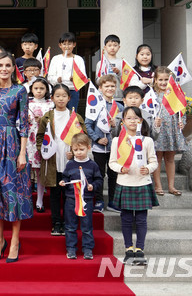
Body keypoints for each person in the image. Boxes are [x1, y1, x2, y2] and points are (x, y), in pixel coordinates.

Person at [0, 52, 32, 263]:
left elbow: (25, 124)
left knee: (13, 193)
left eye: (8, 65)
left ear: (13, 68)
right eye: (0, 65)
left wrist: (22, 153)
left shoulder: (20, 90)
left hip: (12, 143)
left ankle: (16, 241)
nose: (4, 69)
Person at [109, 106, 159, 265]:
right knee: (126, 219)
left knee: (142, 219)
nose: (132, 121)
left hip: (142, 183)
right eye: (128, 118)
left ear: (141, 120)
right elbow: (112, 163)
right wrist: (120, 169)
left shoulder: (147, 140)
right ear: (122, 121)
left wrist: (149, 169)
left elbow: (154, 161)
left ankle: (140, 249)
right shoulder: (117, 141)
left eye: (135, 118)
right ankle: (128, 249)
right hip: (124, 183)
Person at [37, 84, 87, 237]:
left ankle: (68, 222)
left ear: (69, 98)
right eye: (57, 96)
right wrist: (43, 150)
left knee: (68, 194)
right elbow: (40, 137)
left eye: (64, 96)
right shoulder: (47, 116)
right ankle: (56, 223)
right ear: (52, 98)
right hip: (53, 159)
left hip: (69, 160)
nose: (61, 98)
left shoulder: (75, 117)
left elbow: (83, 137)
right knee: (54, 193)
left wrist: (75, 152)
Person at [59, 133, 103, 260]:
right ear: (72, 149)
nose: (78, 152)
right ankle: (71, 249)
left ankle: (88, 249)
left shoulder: (93, 165)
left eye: (81, 149)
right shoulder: (70, 164)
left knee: (87, 226)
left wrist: (93, 186)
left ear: (88, 148)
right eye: (76, 150)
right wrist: (63, 182)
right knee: (70, 225)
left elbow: (99, 180)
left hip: (87, 200)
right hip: (71, 199)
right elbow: (66, 178)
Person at [85, 74, 122, 213]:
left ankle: (112, 201)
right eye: (106, 86)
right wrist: (97, 139)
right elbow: (88, 125)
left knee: (113, 174)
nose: (110, 88)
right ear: (100, 88)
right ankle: (99, 200)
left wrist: (114, 126)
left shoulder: (119, 107)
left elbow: (122, 130)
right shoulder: (94, 105)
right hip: (99, 147)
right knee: (99, 174)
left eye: (112, 86)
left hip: (114, 147)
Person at [152, 67, 186, 197]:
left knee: (170, 158)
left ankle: (171, 186)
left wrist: (182, 122)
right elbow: (149, 112)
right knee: (157, 158)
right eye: (160, 79)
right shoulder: (152, 96)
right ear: (155, 80)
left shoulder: (175, 95)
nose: (163, 82)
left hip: (172, 129)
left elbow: (181, 112)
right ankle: (158, 185)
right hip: (159, 130)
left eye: (166, 79)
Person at [26, 77, 54, 213]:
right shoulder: (26, 103)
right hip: (28, 140)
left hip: (43, 140)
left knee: (40, 171)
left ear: (47, 90)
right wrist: (27, 119)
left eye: (42, 88)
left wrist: (42, 120)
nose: (39, 91)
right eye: (36, 88)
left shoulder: (50, 104)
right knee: (26, 169)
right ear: (31, 89)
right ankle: (26, 199)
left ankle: (40, 200)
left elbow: (53, 121)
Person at [47, 32, 85, 112]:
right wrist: (57, 80)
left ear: (74, 44)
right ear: (60, 45)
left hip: (72, 91)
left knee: (72, 113)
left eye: (69, 44)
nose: (67, 46)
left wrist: (75, 79)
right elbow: (50, 77)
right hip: (58, 90)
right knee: (58, 112)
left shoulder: (78, 59)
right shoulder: (56, 59)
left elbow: (83, 78)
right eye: (64, 44)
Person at [95, 34, 123, 101]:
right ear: (105, 47)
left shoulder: (122, 63)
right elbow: (97, 81)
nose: (112, 48)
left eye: (115, 45)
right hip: (103, 96)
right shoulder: (100, 63)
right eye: (109, 45)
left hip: (118, 96)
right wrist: (103, 78)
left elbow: (126, 80)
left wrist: (118, 73)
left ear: (119, 47)